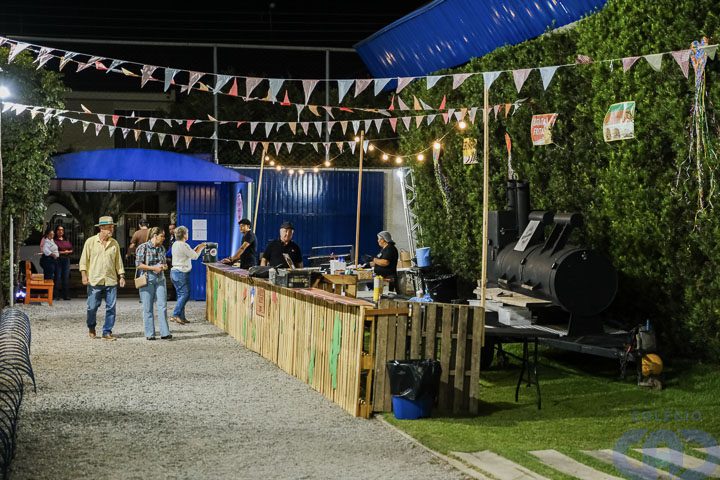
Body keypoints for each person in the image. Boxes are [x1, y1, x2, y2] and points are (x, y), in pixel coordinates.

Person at [79, 216, 126, 340]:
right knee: (92, 307)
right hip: (95, 280)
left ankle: (107, 332)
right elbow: (83, 261)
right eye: (109, 227)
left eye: (112, 227)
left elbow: (118, 261)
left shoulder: (114, 243)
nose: (111, 229)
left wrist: (121, 276)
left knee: (111, 307)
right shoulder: (90, 242)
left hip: (111, 280)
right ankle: (91, 326)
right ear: (101, 228)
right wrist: (84, 275)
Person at [136, 226, 171, 340]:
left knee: (162, 306)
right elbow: (139, 264)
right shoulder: (143, 247)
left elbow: (165, 263)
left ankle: (165, 333)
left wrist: (164, 267)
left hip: (160, 278)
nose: (164, 238)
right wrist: (153, 268)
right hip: (147, 279)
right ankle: (150, 334)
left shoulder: (162, 248)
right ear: (155, 236)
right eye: (162, 236)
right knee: (147, 307)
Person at [169, 226, 206, 325]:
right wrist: (201, 248)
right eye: (187, 233)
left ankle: (181, 317)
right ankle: (175, 314)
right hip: (181, 273)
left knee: (181, 295)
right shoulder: (183, 245)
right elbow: (194, 256)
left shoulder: (175, 244)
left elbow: (189, 253)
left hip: (174, 272)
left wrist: (196, 248)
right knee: (185, 294)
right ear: (184, 235)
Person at [54, 225, 74, 300]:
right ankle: (56, 295)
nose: (61, 231)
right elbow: (54, 251)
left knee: (66, 277)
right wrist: (63, 252)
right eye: (59, 230)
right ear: (56, 231)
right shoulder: (54, 240)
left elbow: (71, 249)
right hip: (58, 259)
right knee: (58, 277)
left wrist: (68, 251)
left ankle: (65, 295)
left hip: (66, 259)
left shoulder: (66, 239)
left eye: (62, 230)